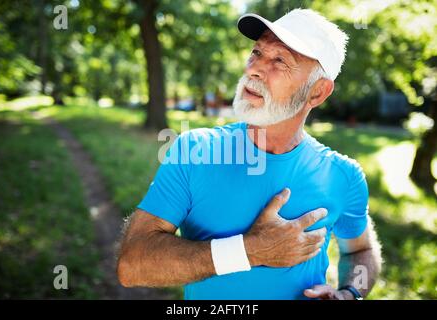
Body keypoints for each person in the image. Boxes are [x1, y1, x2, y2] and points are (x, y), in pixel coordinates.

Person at [117, 8, 382, 300]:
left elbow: (361, 250)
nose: (253, 69)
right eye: (257, 52)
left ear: (317, 92)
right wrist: (249, 251)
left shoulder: (343, 175)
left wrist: (349, 293)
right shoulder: (194, 151)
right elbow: (133, 264)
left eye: (280, 60)